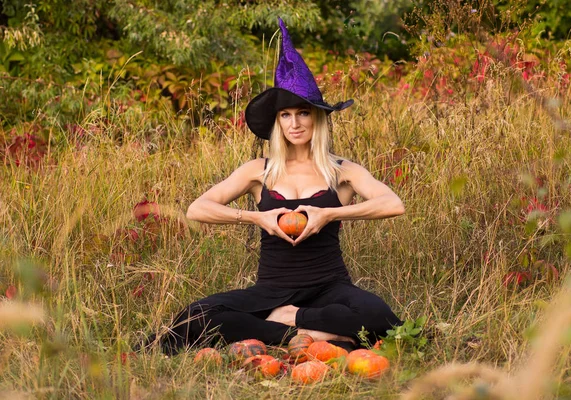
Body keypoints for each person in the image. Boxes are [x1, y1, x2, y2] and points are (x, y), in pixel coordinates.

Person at [155, 18, 405, 355]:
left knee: (377, 315)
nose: (294, 123)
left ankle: (291, 320)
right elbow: (198, 209)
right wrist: (257, 218)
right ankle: (299, 334)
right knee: (193, 318)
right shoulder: (259, 171)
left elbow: (393, 204)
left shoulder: (342, 171)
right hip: (272, 290)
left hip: (329, 288)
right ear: (277, 122)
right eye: (285, 115)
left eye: (303, 113)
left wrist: (328, 214)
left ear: (316, 117)